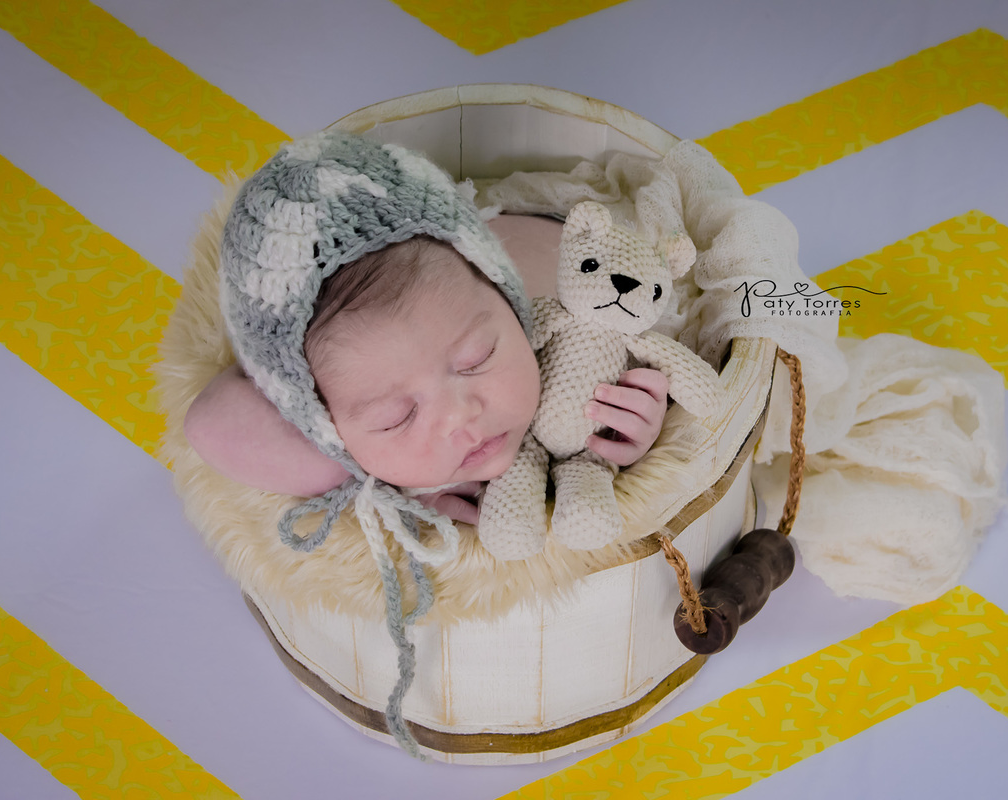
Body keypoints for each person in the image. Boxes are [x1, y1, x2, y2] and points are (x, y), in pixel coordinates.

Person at [185, 132, 669, 529]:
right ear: (325, 426)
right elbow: (207, 425)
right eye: (397, 417)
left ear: (506, 298)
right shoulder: (333, 422)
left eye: (477, 359)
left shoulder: (561, 310)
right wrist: (378, 478)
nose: (462, 416)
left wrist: (635, 428)